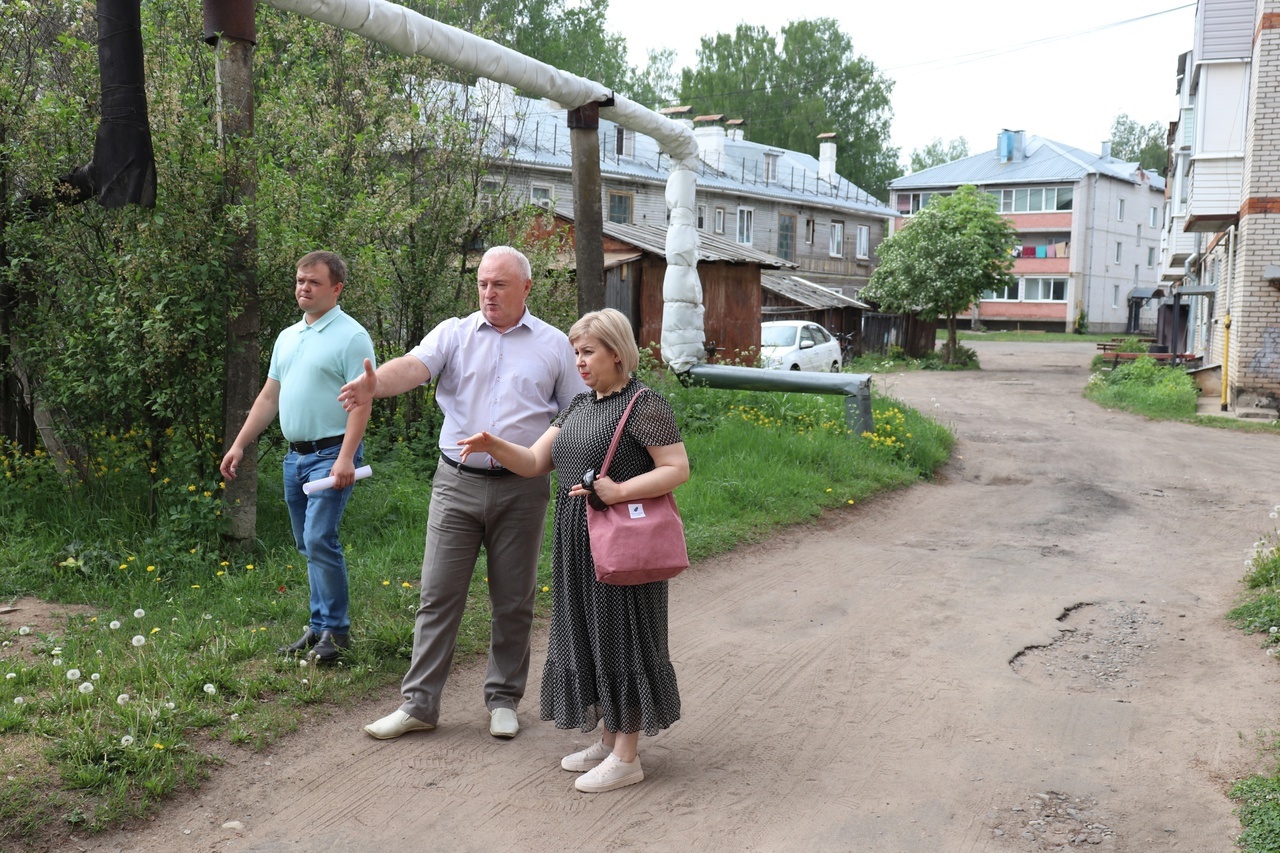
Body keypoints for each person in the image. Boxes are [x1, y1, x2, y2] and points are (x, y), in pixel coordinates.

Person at [342, 246, 586, 741]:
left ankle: (503, 700)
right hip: (456, 484)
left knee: (513, 600)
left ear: (526, 288)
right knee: (437, 593)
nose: (488, 293)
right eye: (481, 283)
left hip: (523, 487)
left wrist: (568, 472)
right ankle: (419, 705)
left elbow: (575, 412)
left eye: (498, 284)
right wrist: (375, 385)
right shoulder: (454, 332)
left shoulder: (555, 344)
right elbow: (413, 367)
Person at [458, 307, 689, 793]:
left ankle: (628, 756)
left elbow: (676, 468)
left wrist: (618, 491)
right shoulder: (579, 406)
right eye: (575, 353)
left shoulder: (644, 404)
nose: (579, 362)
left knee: (623, 635)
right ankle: (608, 740)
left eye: (588, 352)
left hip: (621, 542)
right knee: (589, 634)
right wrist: (493, 445)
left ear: (617, 353)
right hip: (578, 541)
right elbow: (535, 462)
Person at [220, 251, 375, 664]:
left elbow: (362, 404)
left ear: (336, 288)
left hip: (333, 453)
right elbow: (269, 397)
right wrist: (239, 444)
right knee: (307, 545)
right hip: (296, 457)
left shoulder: (352, 336)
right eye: (299, 281)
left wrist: (346, 459)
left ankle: (336, 633)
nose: (303, 288)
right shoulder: (288, 336)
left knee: (319, 538)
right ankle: (318, 626)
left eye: (313, 282)